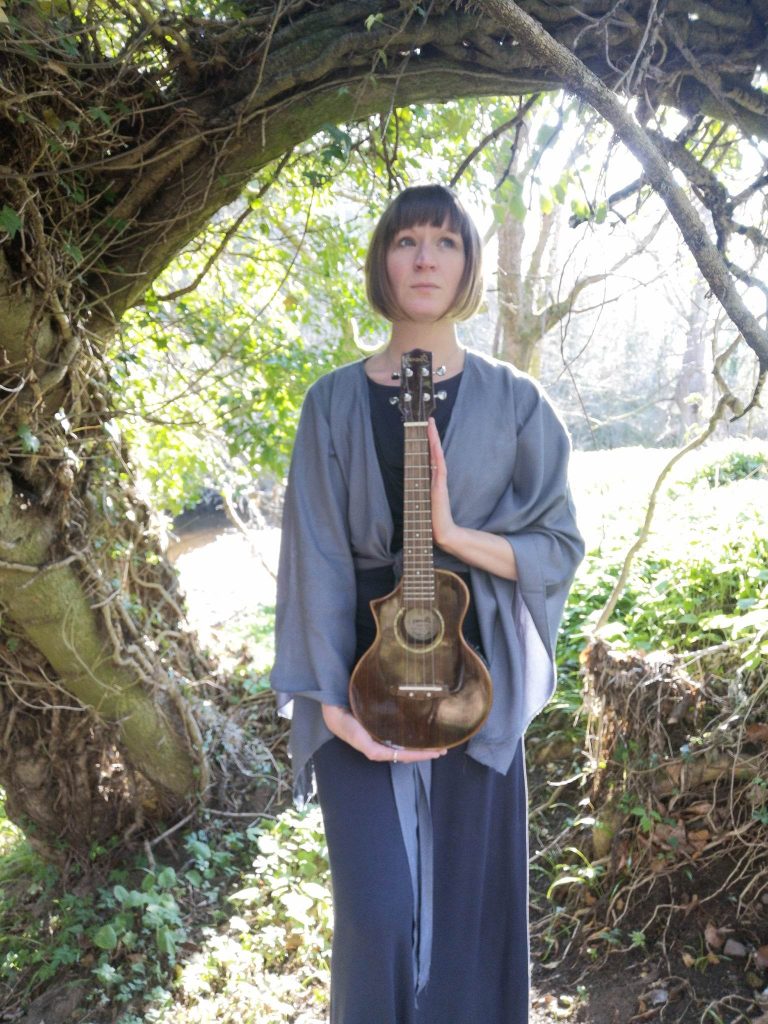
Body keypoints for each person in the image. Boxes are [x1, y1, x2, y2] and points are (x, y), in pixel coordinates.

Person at [270, 184, 584, 1024]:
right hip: (355, 679)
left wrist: (450, 531)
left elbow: (556, 546)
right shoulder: (331, 402)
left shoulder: (516, 402)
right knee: (376, 916)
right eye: (407, 240)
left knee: (471, 924)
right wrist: (333, 709)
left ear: (468, 264)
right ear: (383, 260)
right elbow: (314, 557)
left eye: (445, 241)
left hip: (470, 683)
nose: (424, 258)